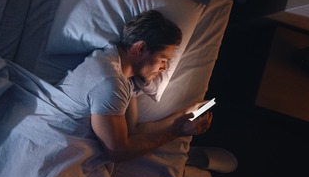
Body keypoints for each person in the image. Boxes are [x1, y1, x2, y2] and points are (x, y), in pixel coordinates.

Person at [57, 10, 212, 161]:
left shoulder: (123, 75)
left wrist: (184, 113)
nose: (164, 68)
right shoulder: (111, 83)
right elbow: (118, 152)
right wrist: (174, 132)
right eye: (163, 60)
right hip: (56, 141)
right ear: (141, 48)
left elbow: (134, 131)